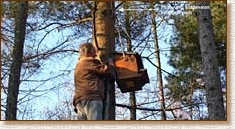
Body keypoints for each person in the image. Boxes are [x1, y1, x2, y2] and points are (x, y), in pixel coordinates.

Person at [72, 42, 114, 120]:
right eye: (94, 51)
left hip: (79, 99)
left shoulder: (79, 64)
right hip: (92, 96)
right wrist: (111, 64)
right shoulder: (89, 61)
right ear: (89, 52)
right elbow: (105, 71)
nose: (96, 54)